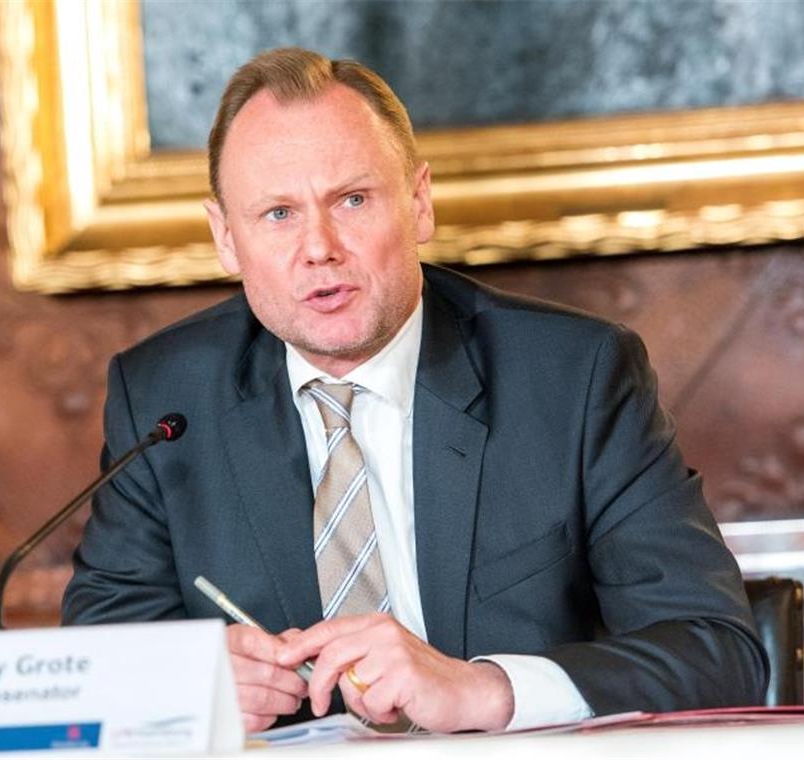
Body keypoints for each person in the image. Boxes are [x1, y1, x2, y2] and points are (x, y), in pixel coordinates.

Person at [61, 47, 768, 734]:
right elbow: (94, 663)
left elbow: (715, 651)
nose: (319, 248)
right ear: (224, 238)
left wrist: (485, 690)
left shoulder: (573, 378)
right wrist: (186, 684)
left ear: (419, 203)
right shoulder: (164, 397)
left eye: (353, 199)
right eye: (277, 214)